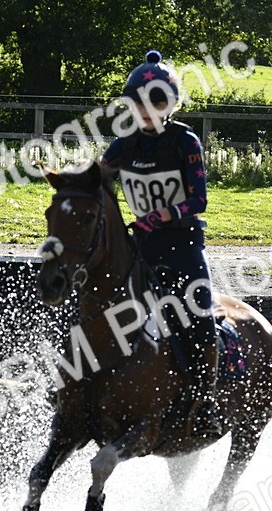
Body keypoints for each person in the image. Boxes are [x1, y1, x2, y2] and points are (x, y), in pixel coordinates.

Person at [100, 49, 222, 437]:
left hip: (182, 246)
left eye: (156, 102)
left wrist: (160, 216)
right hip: (140, 250)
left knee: (200, 318)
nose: (148, 110)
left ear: (169, 104)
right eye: (140, 103)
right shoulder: (122, 146)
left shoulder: (184, 141)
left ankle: (206, 401)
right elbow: (98, 181)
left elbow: (198, 200)